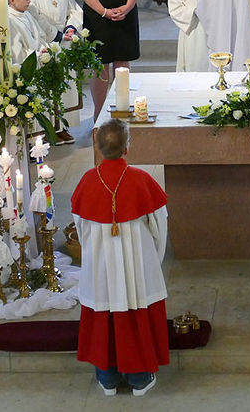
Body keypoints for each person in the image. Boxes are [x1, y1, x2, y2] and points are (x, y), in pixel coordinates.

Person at [71, 119, 168, 397]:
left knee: (104, 307)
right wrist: (152, 258)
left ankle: (107, 376)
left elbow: (82, 227)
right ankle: (139, 378)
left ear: (98, 147)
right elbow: (159, 224)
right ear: (127, 148)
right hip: (136, 259)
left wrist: (95, 255)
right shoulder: (141, 179)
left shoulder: (87, 181)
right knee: (136, 306)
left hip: (100, 263)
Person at [27, 0, 84, 143]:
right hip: (45, 43)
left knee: (65, 87)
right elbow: (36, 18)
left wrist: (70, 27)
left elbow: (74, 9)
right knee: (48, 89)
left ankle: (62, 126)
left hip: (64, 41)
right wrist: (57, 35)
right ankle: (47, 127)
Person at [6, 0, 46, 66]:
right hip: (27, 67)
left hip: (40, 62)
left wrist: (43, 49)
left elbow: (40, 36)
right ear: (12, 0)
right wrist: (38, 55)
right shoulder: (9, 20)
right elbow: (16, 53)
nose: (29, 1)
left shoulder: (26, 14)